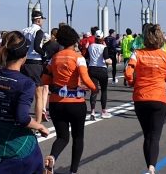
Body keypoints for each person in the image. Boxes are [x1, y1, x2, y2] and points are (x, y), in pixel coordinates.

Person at [0, 31, 49, 174]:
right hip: (19, 143)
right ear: (24, 56)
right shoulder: (26, 83)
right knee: (35, 163)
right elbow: (22, 118)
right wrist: (40, 126)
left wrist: (0, 110)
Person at [41, 25, 96, 174]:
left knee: (62, 137)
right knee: (78, 138)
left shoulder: (54, 58)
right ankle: (73, 171)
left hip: (56, 103)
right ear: (74, 41)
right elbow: (85, 78)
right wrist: (94, 88)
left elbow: (44, 79)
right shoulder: (78, 58)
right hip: (75, 103)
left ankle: (52, 157)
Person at [126, 25, 166, 174]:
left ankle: (149, 166)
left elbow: (128, 72)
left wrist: (132, 82)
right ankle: (152, 167)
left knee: (147, 135)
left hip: (141, 98)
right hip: (158, 99)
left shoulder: (137, 53)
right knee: (154, 137)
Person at [21, 10, 49, 123]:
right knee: (38, 95)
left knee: (24, 93)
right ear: (38, 20)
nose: (43, 21)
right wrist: (45, 54)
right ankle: (37, 122)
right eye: (42, 19)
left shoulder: (24, 30)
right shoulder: (39, 31)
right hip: (35, 63)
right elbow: (37, 47)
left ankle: (21, 118)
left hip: (24, 63)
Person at [85, 28, 113, 120]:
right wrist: (111, 61)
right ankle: (103, 111)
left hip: (92, 69)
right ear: (102, 37)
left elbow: (86, 57)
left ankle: (92, 112)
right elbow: (106, 59)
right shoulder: (103, 47)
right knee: (104, 90)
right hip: (102, 70)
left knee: (94, 90)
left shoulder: (90, 46)